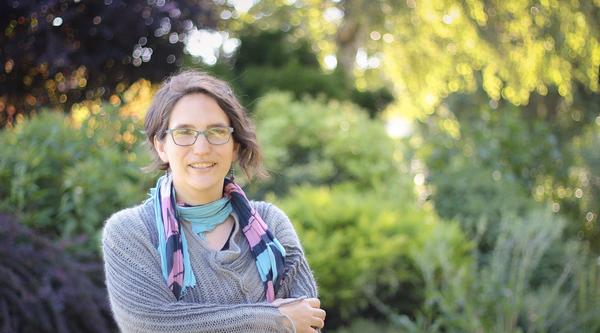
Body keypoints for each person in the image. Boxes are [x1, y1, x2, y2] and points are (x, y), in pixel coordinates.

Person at [102, 70, 326, 333]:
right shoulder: (131, 232)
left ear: (234, 146)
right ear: (161, 145)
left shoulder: (271, 224)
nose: (201, 148)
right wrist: (275, 319)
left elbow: (307, 320)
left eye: (216, 131)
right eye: (184, 132)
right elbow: (152, 325)